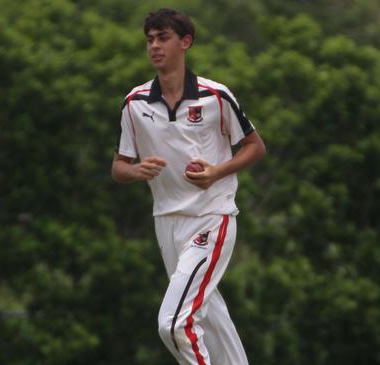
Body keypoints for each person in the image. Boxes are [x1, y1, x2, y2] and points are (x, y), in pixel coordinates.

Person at [111, 8, 266, 365]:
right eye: (150, 39)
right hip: (166, 221)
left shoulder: (215, 96)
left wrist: (216, 172)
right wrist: (137, 171)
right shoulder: (134, 103)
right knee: (210, 318)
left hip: (211, 217)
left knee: (174, 323)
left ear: (186, 42)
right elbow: (119, 166)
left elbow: (256, 146)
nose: (154, 46)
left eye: (163, 37)